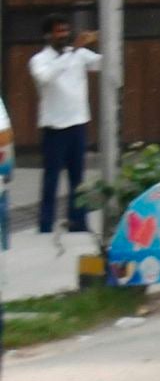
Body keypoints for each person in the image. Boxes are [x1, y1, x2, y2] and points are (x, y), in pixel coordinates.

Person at [32, 17, 101, 233]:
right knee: (51, 178)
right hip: (54, 127)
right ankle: (45, 224)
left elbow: (102, 62)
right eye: (59, 31)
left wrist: (101, 39)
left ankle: (78, 222)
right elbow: (46, 78)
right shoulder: (39, 59)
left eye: (66, 30)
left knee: (78, 179)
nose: (63, 34)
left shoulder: (78, 53)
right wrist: (72, 53)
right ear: (48, 35)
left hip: (78, 124)